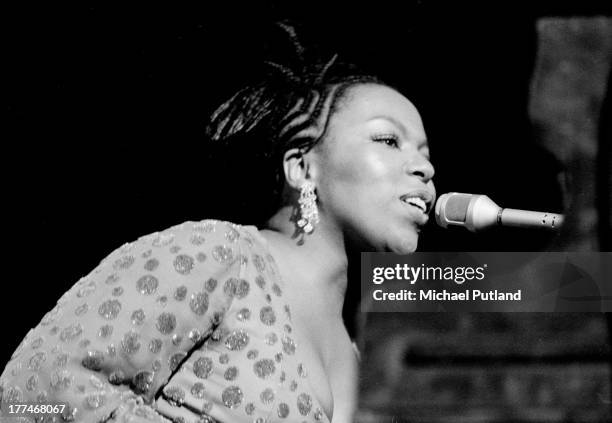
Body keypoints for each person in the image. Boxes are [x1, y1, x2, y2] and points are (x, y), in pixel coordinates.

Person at [0, 24, 435, 423]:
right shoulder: (219, 256)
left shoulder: (365, 355)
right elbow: (36, 386)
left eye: (425, 153)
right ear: (302, 169)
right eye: (388, 140)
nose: (423, 168)